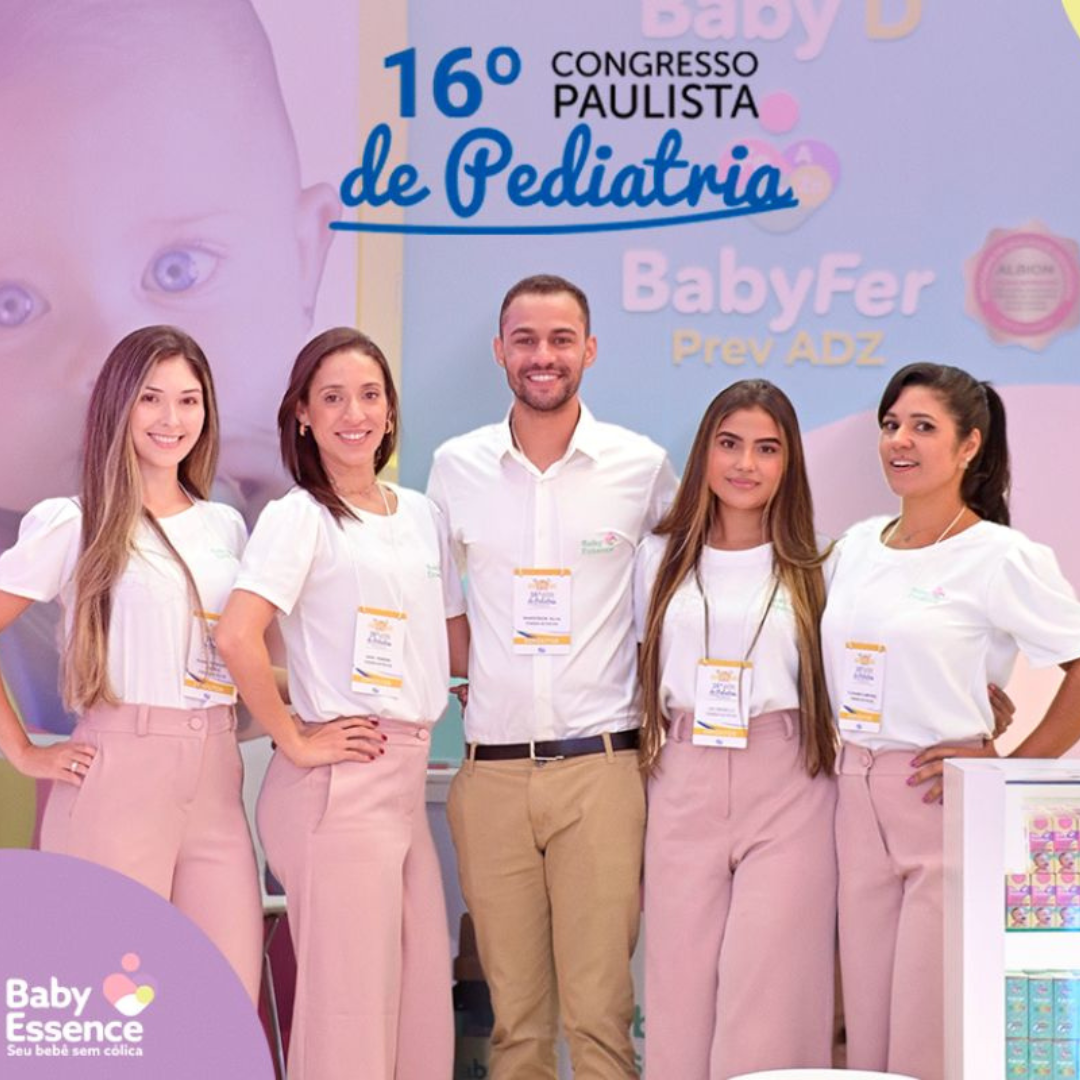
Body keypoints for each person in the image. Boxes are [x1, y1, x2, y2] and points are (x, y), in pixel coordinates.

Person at [0, 0, 338, 733]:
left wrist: (293, 532)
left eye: (178, 269)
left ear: (304, 260)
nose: (113, 365)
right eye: (12, 304)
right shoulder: (49, 535)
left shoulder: (294, 519)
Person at [426, 274, 678, 1079]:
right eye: (526, 340)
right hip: (491, 779)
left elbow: (678, 606)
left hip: (600, 771)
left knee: (599, 1020)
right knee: (517, 1028)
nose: (544, 356)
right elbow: (438, 602)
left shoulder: (641, 468)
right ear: (499, 351)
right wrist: (481, 670)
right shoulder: (455, 467)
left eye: (561, 339)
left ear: (589, 350)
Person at [215, 327, 467, 1080]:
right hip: (338, 779)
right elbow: (236, 636)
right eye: (332, 398)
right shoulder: (300, 517)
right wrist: (294, 738)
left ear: (390, 410)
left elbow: (455, 647)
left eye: (369, 395)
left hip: (405, 777)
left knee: (419, 1005)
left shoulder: (420, 515)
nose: (354, 414)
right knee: (350, 1017)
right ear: (302, 413)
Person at [821, 362, 1080, 1080]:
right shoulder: (855, 546)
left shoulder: (1001, 556)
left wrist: (1012, 767)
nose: (899, 441)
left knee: (926, 1024)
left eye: (923, 427)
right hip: (852, 793)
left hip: (938, 799)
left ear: (969, 446)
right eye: (890, 425)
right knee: (866, 1020)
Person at [0, 325, 262, 1001]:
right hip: (118, 775)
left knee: (222, 1000)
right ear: (118, 404)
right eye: (151, 398)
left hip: (216, 780)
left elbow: (241, 658)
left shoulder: (225, 527)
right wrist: (22, 752)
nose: (171, 418)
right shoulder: (74, 521)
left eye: (188, 400)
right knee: (110, 1010)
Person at [635, 380, 837, 1080]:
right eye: (730, 444)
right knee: (678, 989)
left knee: (769, 992)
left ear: (789, 462)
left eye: (766, 448)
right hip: (682, 772)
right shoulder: (657, 557)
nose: (745, 464)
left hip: (788, 781)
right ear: (705, 453)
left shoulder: (820, 565)